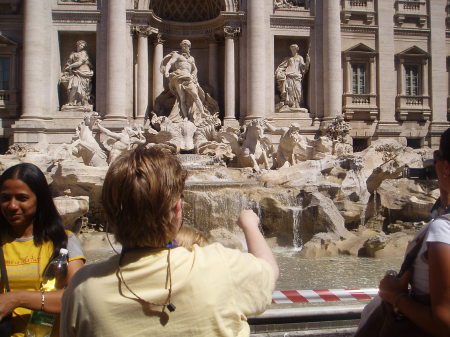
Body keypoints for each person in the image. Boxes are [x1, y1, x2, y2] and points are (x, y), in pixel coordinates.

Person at [61, 146, 278, 337]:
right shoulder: (220, 266)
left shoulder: (82, 289)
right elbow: (269, 271)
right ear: (177, 209)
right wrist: (250, 226)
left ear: (108, 215)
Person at [360, 128, 450, 336]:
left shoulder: (443, 230)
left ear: (445, 167)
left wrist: (395, 297)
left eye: (436, 159)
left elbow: (444, 323)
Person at [0, 163, 85, 337]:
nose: (12, 205)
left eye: (22, 198)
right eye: (5, 198)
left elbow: (77, 296)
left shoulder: (64, 241)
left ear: (40, 200)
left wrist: (16, 299)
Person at [160, 40, 211, 125]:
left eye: (186, 45)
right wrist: (166, 71)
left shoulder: (191, 58)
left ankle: (202, 113)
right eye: (183, 45)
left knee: (195, 95)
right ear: (181, 46)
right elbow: (169, 63)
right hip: (179, 76)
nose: (185, 46)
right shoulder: (177, 55)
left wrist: (194, 75)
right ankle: (185, 116)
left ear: (189, 47)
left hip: (189, 77)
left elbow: (195, 69)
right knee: (182, 98)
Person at [60, 40, 94, 109]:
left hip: (83, 72)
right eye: (81, 45)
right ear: (77, 45)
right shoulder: (73, 54)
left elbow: (80, 62)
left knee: (83, 89)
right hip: (75, 72)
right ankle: (71, 102)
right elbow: (69, 62)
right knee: (74, 86)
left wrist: (70, 66)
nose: (82, 47)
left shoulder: (84, 53)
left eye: (83, 46)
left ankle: (83, 102)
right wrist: (68, 68)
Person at [275, 44, 309, 110]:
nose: (293, 50)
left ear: (297, 49)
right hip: (289, 75)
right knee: (290, 90)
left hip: (297, 75)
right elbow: (282, 67)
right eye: (292, 49)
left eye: (294, 49)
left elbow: (304, 68)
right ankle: (291, 104)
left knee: (298, 90)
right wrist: (279, 72)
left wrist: (307, 61)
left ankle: (297, 104)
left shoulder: (300, 58)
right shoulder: (288, 58)